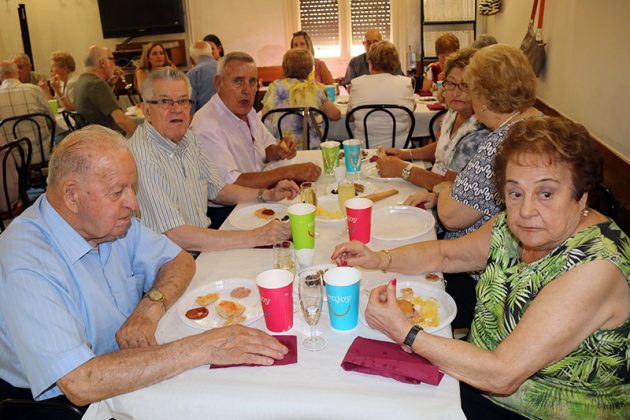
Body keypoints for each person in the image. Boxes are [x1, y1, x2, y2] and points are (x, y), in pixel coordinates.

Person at [332, 116, 629, 419]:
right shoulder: (518, 228)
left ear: (582, 196)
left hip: (526, 409)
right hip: (474, 374)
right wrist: (380, 259)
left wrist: (405, 332)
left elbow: (503, 374)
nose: (526, 210)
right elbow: (446, 255)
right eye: (515, 193)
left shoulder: (596, 265)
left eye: (546, 193)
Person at [0, 126, 289, 411]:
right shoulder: (27, 262)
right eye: (117, 192)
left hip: (126, 362)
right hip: (63, 405)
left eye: (131, 188)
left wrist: (149, 307)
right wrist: (207, 346)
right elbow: (80, 381)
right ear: (73, 196)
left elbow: (179, 260)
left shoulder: (107, 224)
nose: (133, 203)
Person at [405, 44, 541, 329]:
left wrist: (442, 191)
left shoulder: (504, 140)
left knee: (407, 285)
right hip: (513, 263)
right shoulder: (533, 122)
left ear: (483, 96)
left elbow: (453, 217)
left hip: (485, 279)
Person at [130, 67, 299, 248]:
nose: (177, 109)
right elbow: (174, 233)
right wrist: (257, 237)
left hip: (200, 248)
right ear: (147, 111)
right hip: (171, 262)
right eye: (165, 102)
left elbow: (218, 190)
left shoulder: (188, 138)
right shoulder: (142, 157)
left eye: (182, 101)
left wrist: (267, 194)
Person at [191, 51, 321, 190]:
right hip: (230, 208)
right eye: (238, 81)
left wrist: (279, 151)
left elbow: (264, 150)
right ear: (218, 83)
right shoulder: (207, 126)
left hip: (258, 194)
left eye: (252, 81)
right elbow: (230, 185)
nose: (247, 90)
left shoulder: (248, 112)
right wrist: (290, 172)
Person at [376, 49, 489, 190]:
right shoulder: (453, 113)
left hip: (444, 200)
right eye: (451, 83)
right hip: (430, 188)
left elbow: (449, 187)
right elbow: (444, 147)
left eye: (465, 85)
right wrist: (407, 154)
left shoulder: (479, 130)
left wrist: (402, 170)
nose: (456, 92)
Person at [261, 48, 341, 149]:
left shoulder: (275, 87)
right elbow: (335, 115)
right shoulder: (316, 88)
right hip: (312, 149)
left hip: (282, 148)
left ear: (284, 67)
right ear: (310, 69)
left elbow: (265, 116)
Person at [347, 41, 415, 148]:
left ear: (370, 62)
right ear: (395, 63)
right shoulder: (406, 83)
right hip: (400, 151)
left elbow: (350, 117)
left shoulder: (356, 83)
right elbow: (411, 109)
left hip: (364, 151)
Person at [74, 45, 137, 136]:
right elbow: (121, 120)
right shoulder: (97, 84)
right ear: (102, 62)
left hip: (89, 137)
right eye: (112, 60)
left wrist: (110, 85)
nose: (115, 65)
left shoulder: (81, 81)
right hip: (107, 139)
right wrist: (144, 138)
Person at [0, 61, 55, 166]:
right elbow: (51, 120)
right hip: (43, 153)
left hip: (12, 159)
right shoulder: (34, 90)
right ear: (17, 73)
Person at [187, 40, 218, 113]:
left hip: (203, 121)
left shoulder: (192, 75)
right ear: (211, 54)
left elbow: (190, 110)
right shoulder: (225, 68)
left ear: (191, 59)